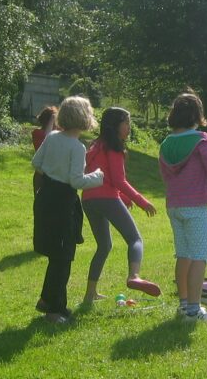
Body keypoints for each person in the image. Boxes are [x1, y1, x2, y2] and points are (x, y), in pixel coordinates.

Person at [32, 96, 105, 323]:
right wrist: (97, 177)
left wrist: (54, 169)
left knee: (57, 255)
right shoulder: (76, 146)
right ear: (84, 118)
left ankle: (50, 302)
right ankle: (54, 310)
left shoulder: (52, 137)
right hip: (63, 201)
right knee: (62, 257)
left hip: (46, 197)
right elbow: (76, 181)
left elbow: (37, 163)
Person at [82, 107, 161, 304]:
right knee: (135, 239)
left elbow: (103, 176)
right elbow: (118, 180)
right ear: (116, 125)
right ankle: (134, 276)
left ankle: (90, 294)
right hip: (106, 198)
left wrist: (123, 198)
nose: (129, 127)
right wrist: (141, 201)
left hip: (89, 200)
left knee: (104, 246)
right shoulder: (114, 148)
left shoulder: (95, 146)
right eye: (126, 123)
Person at [159, 90, 207, 322]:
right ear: (197, 115)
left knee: (183, 255)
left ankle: (184, 305)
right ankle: (194, 311)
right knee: (199, 257)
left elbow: (165, 175)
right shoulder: (201, 140)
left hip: (174, 205)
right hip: (196, 206)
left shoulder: (166, 143)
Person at [32, 106, 58, 193]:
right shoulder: (37, 133)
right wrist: (52, 119)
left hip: (53, 174)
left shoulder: (56, 135)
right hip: (41, 173)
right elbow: (47, 138)